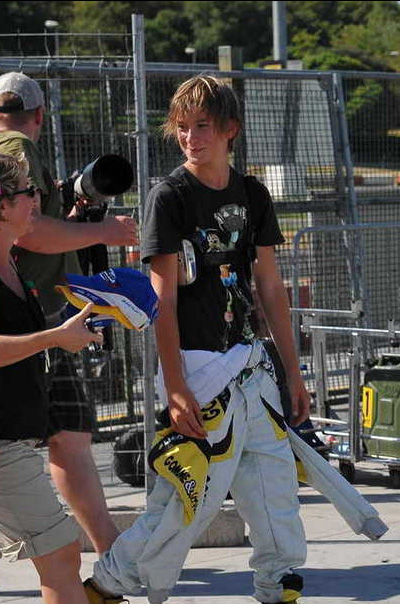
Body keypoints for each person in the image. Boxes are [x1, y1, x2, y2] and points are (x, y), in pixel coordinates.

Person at [84, 75, 312, 604]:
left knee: (274, 484)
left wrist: (293, 371)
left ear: (230, 129)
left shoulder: (252, 193)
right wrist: (176, 385)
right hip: (197, 368)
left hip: (251, 365)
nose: (191, 137)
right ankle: (108, 584)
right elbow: (159, 299)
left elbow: (269, 285)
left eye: (202, 125)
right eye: (182, 127)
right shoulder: (170, 197)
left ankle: (278, 584)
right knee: (190, 497)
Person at [0, 71, 139, 555]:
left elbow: (33, 228)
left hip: (38, 314)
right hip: (33, 318)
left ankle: (108, 547)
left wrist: (73, 219)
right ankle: (105, 548)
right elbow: (32, 231)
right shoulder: (18, 146)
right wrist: (104, 232)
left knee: (69, 431)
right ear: (41, 114)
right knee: (61, 435)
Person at [0, 152, 102, 604]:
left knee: (59, 554)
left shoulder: (13, 264)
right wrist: (54, 337)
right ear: (2, 204)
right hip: (2, 447)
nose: (37, 201)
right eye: (29, 192)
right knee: (60, 553)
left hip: (15, 437)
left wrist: (70, 327)